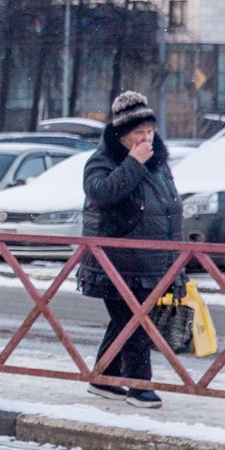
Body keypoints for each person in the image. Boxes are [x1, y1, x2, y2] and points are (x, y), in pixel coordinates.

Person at [77, 90, 181, 409]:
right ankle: (139, 386)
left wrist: (175, 262)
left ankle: (103, 377)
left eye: (150, 132)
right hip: (114, 261)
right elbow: (103, 194)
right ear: (122, 135)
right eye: (138, 133)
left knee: (128, 319)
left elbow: (170, 209)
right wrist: (134, 164)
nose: (146, 139)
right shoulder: (102, 160)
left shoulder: (158, 162)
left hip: (149, 260)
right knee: (134, 321)